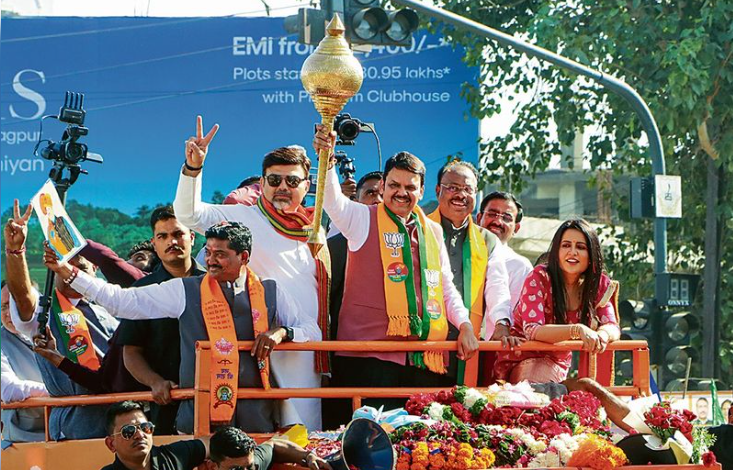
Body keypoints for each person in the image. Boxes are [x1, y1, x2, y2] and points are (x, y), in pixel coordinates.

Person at [45, 221, 320, 433]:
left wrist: (283, 333)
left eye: (221, 254)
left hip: (257, 419)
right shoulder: (185, 290)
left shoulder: (272, 291)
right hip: (197, 421)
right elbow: (122, 302)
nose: (210, 260)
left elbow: (312, 330)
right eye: (209, 252)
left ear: (244, 257)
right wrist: (67, 272)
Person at [174, 117, 326, 430]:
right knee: (254, 438)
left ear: (307, 186)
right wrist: (193, 169)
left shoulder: (314, 230)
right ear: (262, 182)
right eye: (274, 180)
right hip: (251, 345)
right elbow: (188, 214)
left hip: (301, 346)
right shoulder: (242, 218)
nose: (282, 187)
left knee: (304, 436)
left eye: (292, 181)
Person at [314, 127, 479, 411]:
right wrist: (326, 160)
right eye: (394, 185)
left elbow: (445, 286)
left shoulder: (433, 231)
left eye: (410, 187)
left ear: (422, 190)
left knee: (416, 445)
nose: (401, 193)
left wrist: (464, 324)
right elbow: (331, 201)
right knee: (368, 447)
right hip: (367, 360)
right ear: (383, 188)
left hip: (422, 359)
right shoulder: (362, 218)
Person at [5, 200, 119, 440]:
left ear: (94, 271)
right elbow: (23, 296)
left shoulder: (111, 310)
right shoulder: (44, 312)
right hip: (74, 426)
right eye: (65, 267)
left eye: (81, 269)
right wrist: (16, 252)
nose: (72, 274)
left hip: (121, 420)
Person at [494, 218, 620, 385]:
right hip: (519, 362)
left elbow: (612, 325)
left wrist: (602, 335)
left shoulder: (597, 284)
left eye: (580, 247)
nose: (572, 252)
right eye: (566, 245)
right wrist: (577, 330)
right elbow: (533, 330)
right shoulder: (539, 277)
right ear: (557, 252)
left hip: (557, 366)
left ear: (591, 255)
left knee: (586, 391)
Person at [117, 206, 206, 435]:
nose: (171, 242)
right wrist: (155, 382)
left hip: (214, 396)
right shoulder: (143, 290)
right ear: (154, 243)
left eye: (178, 234)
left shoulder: (213, 284)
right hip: (166, 403)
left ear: (192, 237)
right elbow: (131, 351)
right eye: (163, 236)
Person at [428, 161, 513, 383]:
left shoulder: (487, 240)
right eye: (453, 188)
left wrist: (502, 323)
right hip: (424, 342)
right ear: (438, 190)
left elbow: (497, 287)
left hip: (467, 343)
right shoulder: (419, 228)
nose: (460, 195)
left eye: (468, 189)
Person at [323, 171, 383, 428]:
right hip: (346, 357)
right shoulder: (337, 245)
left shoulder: (410, 244)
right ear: (355, 202)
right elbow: (324, 303)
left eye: (383, 193)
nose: (377, 199)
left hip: (390, 361)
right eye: (370, 193)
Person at [1, 281, 48, 443]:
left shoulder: (55, 330)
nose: (9, 313)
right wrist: (60, 394)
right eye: (4, 307)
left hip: (70, 429)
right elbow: (8, 389)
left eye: (15, 305)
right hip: (25, 438)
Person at [100, 400, 209, 470]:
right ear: (111, 444)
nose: (139, 434)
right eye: (128, 431)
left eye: (145, 427)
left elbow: (213, 444)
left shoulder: (172, 457)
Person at [476, 191, 533, 311]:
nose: (497, 222)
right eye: (492, 214)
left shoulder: (520, 267)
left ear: (516, 228)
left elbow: (514, 317)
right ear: (479, 218)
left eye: (506, 218)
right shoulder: (459, 252)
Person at [206, 425, 331, 470]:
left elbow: (273, 445)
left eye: (249, 467)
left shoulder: (253, 463)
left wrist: (307, 456)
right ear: (212, 467)